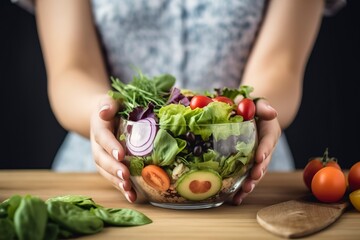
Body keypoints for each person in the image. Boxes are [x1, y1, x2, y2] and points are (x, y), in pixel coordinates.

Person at [13, 0, 345, 205]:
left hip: (240, 173)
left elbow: (281, 65)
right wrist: (103, 115)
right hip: (106, 175)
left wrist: (256, 110)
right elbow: (72, 69)